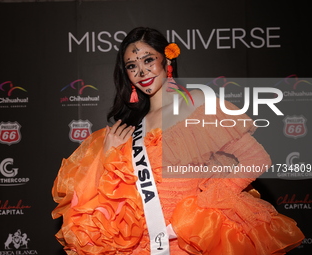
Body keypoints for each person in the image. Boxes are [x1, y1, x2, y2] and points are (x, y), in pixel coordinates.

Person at [52, 27, 304, 255]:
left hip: (192, 240)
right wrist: (109, 154)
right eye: (131, 66)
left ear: (168, 58)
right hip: (142, 244)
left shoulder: (199, 104)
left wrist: (202, 207)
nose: (141, 72)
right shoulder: (131, 127)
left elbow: (256, 159)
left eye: (148, 60)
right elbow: (114, 194)